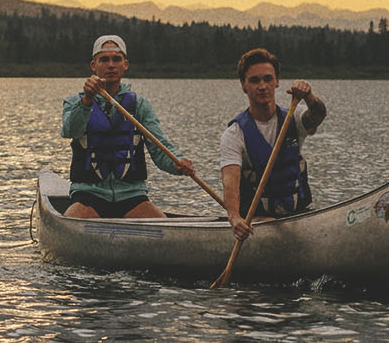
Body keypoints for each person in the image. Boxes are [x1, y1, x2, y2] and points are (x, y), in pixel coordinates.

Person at [58, 35, 196, 219]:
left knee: (162, 223)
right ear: (94, 65)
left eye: (116, 59)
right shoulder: (76, 102)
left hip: (132, 196)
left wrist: (178, 163)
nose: (111, 65)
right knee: (74, 216)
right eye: (104, 59)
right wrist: (87, 101)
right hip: (88, 196)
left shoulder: (140, 105)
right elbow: (70, 131)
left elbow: (160, 147)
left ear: (125, 64)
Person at [218, 47, 328, 241]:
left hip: (298, 215)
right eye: (254, 80)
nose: (262, 86)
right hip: (258, 221)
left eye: (268, 79)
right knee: (265, 221)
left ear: (277, 81)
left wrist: (308, 95)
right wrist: (234, 218)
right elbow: (230, 181)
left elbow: (318, 115)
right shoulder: (234, 134)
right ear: (243, 85)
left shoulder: (295, 117)